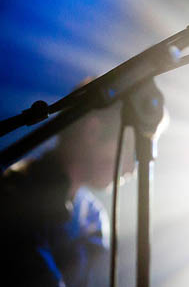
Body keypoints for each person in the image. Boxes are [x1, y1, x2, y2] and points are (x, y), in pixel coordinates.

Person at [0, 98, 133, 287]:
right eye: (131, 151)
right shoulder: (12, 195)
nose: (131, 170)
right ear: (92, 131)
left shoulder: (92, 217)